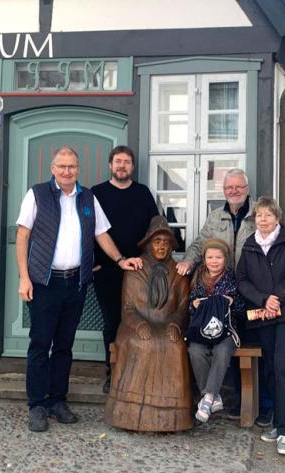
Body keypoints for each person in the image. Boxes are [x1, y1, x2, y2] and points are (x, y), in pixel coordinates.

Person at [16, 146, 142, 433]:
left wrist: (121, 260)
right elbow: (22, 235)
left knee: (64, 346)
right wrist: (24, 278)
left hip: (75, 283)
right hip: (44, 283)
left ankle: (58, 401)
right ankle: (37, 404)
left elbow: (101, 234)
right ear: (53, 168)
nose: (66, 171)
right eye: (61, 166)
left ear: (78, 169)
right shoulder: (37, 194)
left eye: (71, 166)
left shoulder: (88, 197)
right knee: (40, 344)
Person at [176, 168, 274, 427]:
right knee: (220, 342)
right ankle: (230, 400)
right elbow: (199, 244)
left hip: (252, 293)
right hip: (220, 289)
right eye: (229, 187)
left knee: (259, 347)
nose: (234, 191)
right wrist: (188, 261)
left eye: (239, 187)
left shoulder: (258, 216)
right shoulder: (215, 217)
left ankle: (264, 406)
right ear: (224, 190)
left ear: (247, 188)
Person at [105, 216, 193, 431]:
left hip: (167, 324)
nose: (162, 246)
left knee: (175, 346)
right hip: (134, 325)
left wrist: (175, 324)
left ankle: (174, 416)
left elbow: (183, 306)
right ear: (148, 243)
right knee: (141, 343)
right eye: (157, 241)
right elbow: (128, 308)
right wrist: (138, 324)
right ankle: (129, 411)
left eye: (166, 242)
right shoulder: (136, 268)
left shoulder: (178, 272)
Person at [236, 197, 285, 456]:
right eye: (259, 215)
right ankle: (279, 424)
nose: (263, 219)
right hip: (264, 315)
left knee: (284, 369)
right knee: (269, 369)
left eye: (268, 215)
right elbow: (242, 280)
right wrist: (263, 300)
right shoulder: (249, 245)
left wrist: (276, 296)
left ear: (277, 218)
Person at [92, 145, 158, 393]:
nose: (122, 166)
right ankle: (113, 371)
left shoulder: (142, 193)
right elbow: (86, 230)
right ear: (110, 165)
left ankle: (136, 371)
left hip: (139, 271)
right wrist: (92, 263)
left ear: (132, 166)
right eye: (118, 161)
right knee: (112, 323)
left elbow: (155, 228)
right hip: (107, 271)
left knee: (138, 322)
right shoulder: (97, 193)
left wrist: (153, 262)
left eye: (127, 162)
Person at [187, 239, 243, 423]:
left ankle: (208, 397)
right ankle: (213, 396)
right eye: (210, 257)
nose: (214, 261)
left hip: (226, 330)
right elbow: (189, 305)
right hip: (203, 330)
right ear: (204, 259)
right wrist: (194, 305)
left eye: (218, 257)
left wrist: (232, 303)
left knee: (222, 350)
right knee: (195, 351)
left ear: (225, 259)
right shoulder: (198, 278)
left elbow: (242, 307)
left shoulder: (232, 279)